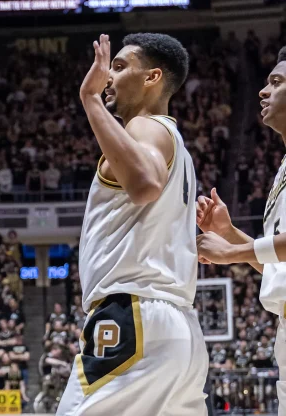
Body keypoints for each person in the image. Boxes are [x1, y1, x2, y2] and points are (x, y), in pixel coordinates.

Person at [56, 34, 207, 415]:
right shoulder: (177, 145)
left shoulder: (145, 128)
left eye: (120, 67)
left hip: (134, 319)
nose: (107, 75)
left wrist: (90, 101)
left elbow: (145, 184)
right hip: (178, 328)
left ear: (153, 77)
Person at [195, 45, 286, 415]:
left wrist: (232, 253)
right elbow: (277, 262)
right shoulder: (282, 168)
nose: (263, 91)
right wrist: (231, 232)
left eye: (277, 82)